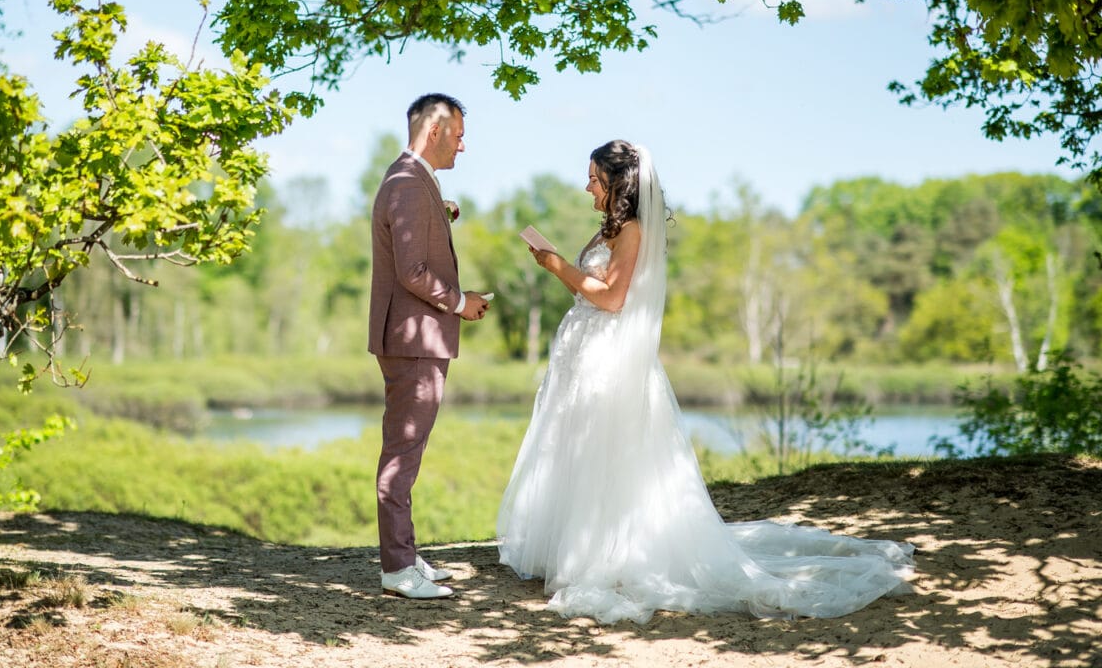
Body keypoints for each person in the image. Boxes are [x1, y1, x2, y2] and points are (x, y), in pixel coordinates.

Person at [497, 140, 915, 624]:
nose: (586, 185)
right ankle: (577, 545)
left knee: (607, 455)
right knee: (579, 452)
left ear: (616, 182)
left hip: (609, 362)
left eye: (593, 177)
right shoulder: (610, 229)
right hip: (586, 357)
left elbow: (613, 299)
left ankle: (609, 553)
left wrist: (557, 267)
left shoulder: (632, 230)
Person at [369, 93, 490, 600]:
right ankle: (397, 570)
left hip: (411, 337)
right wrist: (462, 302)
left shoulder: (412, 181)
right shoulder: (407, 184)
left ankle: (405, 554)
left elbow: (413, 243)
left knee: (407, 449)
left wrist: (442, 215)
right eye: (459, 135)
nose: (464, 145)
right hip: (416, 339)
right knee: (402, 454)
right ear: (435, 130)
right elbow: (413, 272)